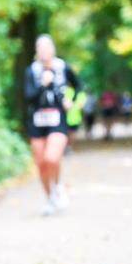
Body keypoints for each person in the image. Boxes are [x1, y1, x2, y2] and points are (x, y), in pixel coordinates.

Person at [24, 35, 80, 215]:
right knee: (41, 163)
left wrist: (71, 100)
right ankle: (50, 198)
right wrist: (42, 84)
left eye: (46, 47)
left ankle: (57, 185)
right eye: (40, 48)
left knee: (52, 158)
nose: (44, 51)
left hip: (57, 119)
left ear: (53, 49)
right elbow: (28, 97)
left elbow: (78, 85)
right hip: (37, 120)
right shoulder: (32, 71)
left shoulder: (62, 67)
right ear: (36, 51)